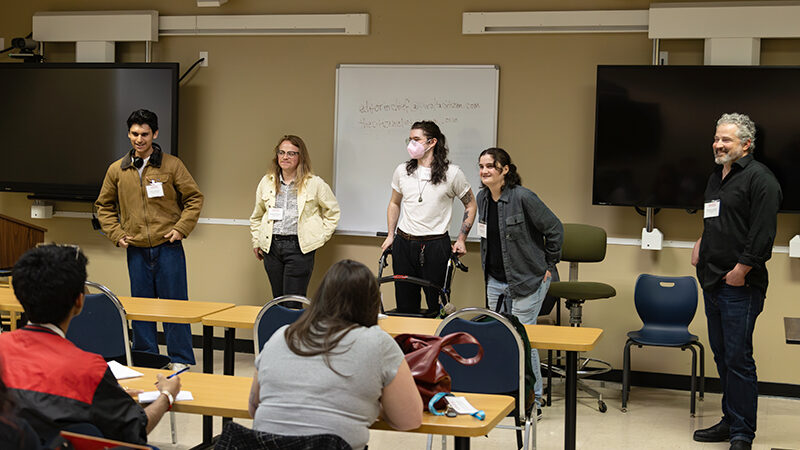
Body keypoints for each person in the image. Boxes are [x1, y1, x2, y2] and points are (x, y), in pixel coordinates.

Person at [0, 245, 181, 445]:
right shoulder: (88, 369)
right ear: (79, 301)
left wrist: (103, 397)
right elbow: (136, 430)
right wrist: (167, 395)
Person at [248, 259, 422, 448]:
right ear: (372, 304)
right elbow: (408, 420)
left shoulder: (282, 335)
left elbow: (254, 407)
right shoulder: (379, 342)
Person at [691, 113, 782, 450]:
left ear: (746, 144)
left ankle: (743, 433)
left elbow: (763, 234)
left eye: (726, 140)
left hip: (739, 285)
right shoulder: (717, 175)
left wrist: (740, 271)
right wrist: (701, 244)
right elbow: (713, 216)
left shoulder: (762, 180)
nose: (718, 145)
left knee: (738, 357)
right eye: (716, 138)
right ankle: (730, 421)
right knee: (722, 355)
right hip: (712, 279)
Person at [95, 109, 204, 370]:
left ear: (154, 134)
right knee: (141, 307)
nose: (139, 139)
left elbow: (194, 198)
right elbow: (103, 206)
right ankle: (146, 357)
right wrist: (117, 234)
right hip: (137, 250)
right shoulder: (117, 170)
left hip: (168, 247)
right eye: (134, 134)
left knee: (175, 306)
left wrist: (180, 228)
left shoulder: (172, 165)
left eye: (144, 134)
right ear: (128, 134)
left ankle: (181, 360)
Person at [476, 147, 563, 417]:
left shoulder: (523, 197)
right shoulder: (482, 198)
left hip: (528, 280)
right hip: (495, 280)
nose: (484, 171)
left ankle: (532, 401)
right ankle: (505, 394)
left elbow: (555, 228)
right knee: (498, 336)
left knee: (524, 340)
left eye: (490, 166)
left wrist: (549, 265)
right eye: (481, 166)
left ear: (505, 170)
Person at [381, 121, 477, 314]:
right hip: (404, 244)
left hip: (435, 246)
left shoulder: (452, 173)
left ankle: (435, 343)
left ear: (432, 142)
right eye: (410, 139)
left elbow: (470, 204)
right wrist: (391, 235)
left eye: (416, 139)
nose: (411, 144)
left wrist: (461, 239)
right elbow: (394, 203)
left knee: (437, 305)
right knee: (405, 305)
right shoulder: (402, 171)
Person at [250, 135, 340, 300]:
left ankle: (293, 327)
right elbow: (257, 215)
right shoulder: (267, 182)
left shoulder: (314, 183)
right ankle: (280, 327)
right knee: (277, 300)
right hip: (271, 247)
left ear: (300, 157)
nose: (285, 157)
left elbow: (333, 211)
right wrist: (256, 241)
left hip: (299, 248)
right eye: (281, 152)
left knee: (292, 301)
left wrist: (321, 235)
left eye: (291, 153)